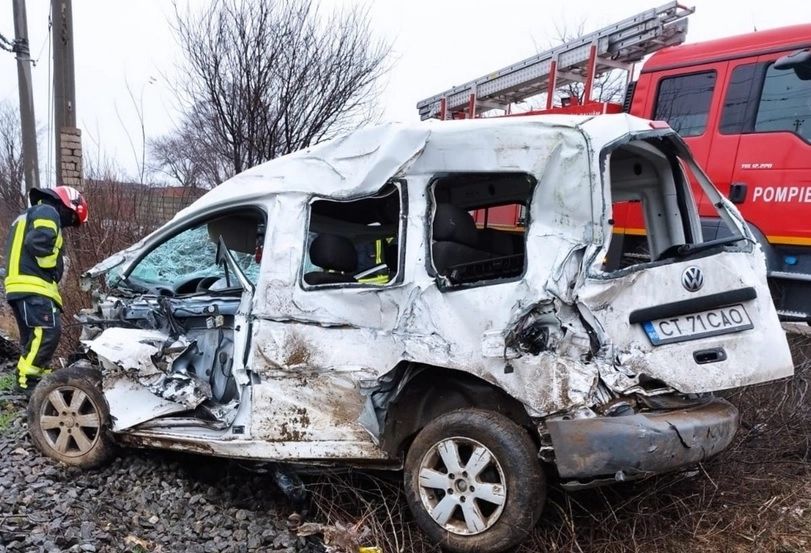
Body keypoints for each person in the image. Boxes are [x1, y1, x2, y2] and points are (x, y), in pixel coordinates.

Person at [3, 186, 88, 391]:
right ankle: (27, 381)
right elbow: (39, 242)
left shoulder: (31, 214)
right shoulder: (47, 211)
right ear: (68, 205)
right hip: (33, 285)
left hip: (21, 286)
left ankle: (37, 377)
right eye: (72, 218)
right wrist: (54, 267)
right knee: (48, 333)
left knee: (33, 338)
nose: (69, 224)